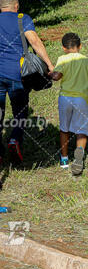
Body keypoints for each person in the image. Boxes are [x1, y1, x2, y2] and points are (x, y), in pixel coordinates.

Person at [0, 0, 54, 165]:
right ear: (17, 6)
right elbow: (35, 41)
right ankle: (15, 140)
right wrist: (50, 66)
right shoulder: (22, 18)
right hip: (19, 75)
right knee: (20, 111)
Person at [49, 32, 88, 175]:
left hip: (65, 98)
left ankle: (64, 159)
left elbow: (57, 77)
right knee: (82, 130)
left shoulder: (63, 59)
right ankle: (79, 155)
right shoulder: (85, 60)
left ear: (64, 48)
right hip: (82, 99)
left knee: (64, 128)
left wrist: (51, 73)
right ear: (80, 46)